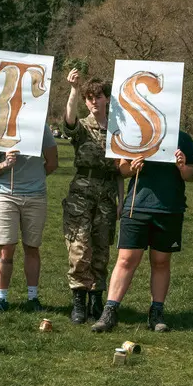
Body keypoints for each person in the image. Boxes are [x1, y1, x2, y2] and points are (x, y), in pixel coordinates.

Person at [91, 130, 193, 333]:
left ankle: (156, 313)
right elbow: (122, 168)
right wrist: (132, 168)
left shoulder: (183, 138)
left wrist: (183, 166)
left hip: (169, 209)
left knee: (161, 262)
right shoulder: (136, 133)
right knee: (125, 260)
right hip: (137, 207)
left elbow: (192, 175)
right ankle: (110, 312)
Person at [62, 69, 124, 324]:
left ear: (107, 99)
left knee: (100, 250)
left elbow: (121, 171)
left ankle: (96, 298)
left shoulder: (119, 131)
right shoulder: (83, 128)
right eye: (89, 97)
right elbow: (68, 121)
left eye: (97, 97)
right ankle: (78, 299)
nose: (93, 101)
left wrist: (120, 200)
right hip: (82, 194)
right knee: (78, 247)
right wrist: (74, 90)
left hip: (107, 193)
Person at [0, 125, 58, 312]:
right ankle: (2, 299)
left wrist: (35, 179)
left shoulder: (41, 127)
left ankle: (33, 298)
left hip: (36, 196)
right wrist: (5, 165)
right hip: (6, 196)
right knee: (6, 248)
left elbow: (52, 162)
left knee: (32, 247)